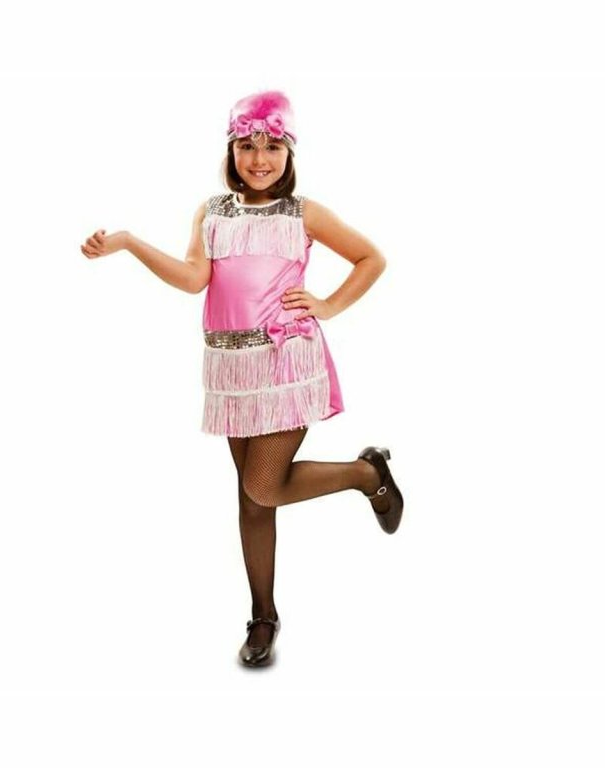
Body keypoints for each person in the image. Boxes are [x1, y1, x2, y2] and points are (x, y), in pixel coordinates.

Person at [80, 89, 404, 668]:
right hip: (232, 370)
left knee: (262, 486)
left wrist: (327, 305)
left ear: (289, 152)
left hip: (285, 363)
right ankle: (263, 615)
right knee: (253, 502)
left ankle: (366, 474)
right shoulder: (212, 213)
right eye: (247, 146)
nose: (259, 159)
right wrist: (128, 244)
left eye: (272, 147)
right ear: (230, 150)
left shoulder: (302, 213)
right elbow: (192, 279)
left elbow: (371, 258)